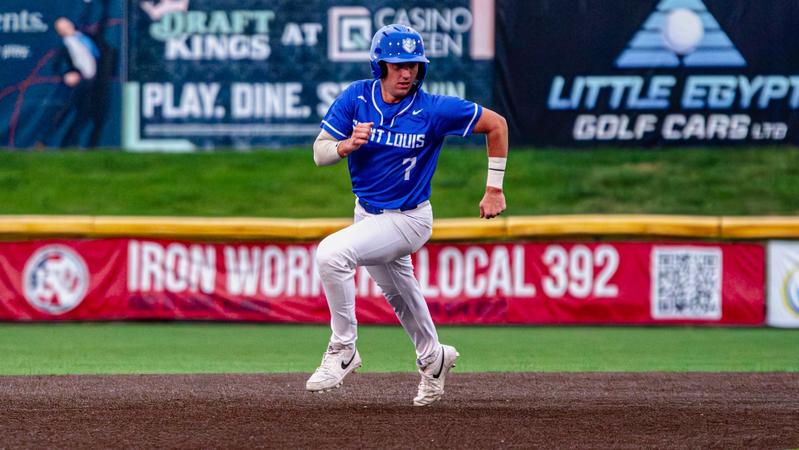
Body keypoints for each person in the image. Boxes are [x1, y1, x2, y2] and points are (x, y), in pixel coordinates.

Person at [307, 24, 508, 406]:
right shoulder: (356, 98)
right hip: (367, 214)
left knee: (331, 255)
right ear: (378, 65)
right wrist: (346, 145)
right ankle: (434, 358)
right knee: (400, 295)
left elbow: (496, 125)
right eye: (396, 65)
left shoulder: (432, 109)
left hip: (409, 219)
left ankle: (343, 348)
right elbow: (319, 154)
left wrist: (494, 187)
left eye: (413, 65)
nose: (406, 73)